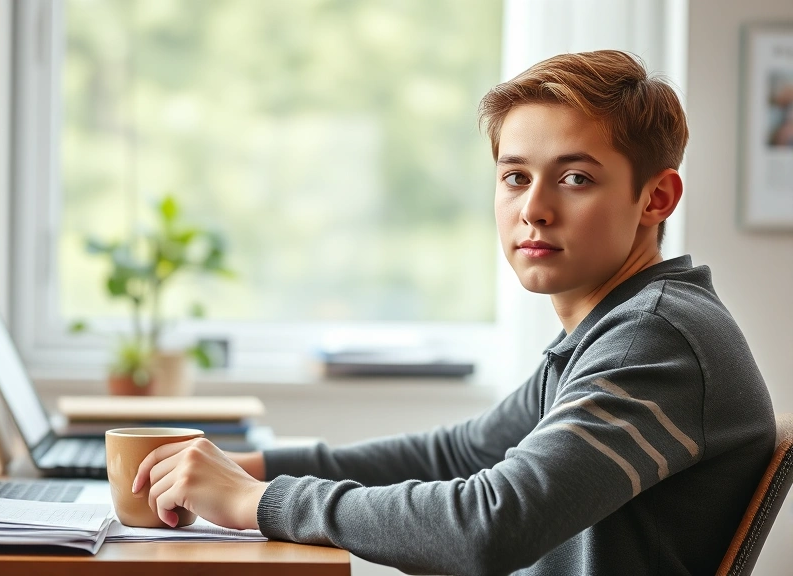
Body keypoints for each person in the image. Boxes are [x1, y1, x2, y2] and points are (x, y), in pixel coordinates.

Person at [130, 50, 776, 575]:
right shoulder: (617, 327)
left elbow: (493, 524)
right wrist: (256, 469)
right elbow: (463, 454)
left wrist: (257, 502)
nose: (535, 209)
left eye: (575, 177)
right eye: (515, 177)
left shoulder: (653, 337)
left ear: (655, 197)